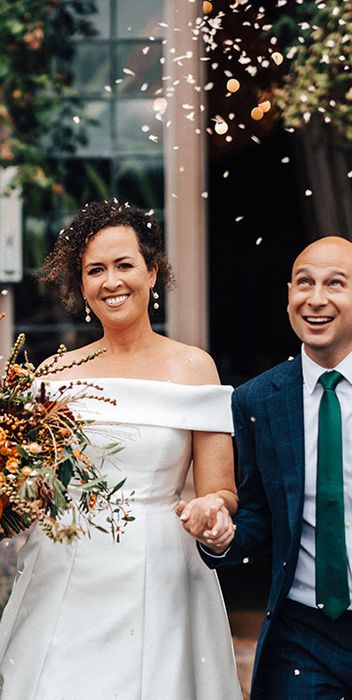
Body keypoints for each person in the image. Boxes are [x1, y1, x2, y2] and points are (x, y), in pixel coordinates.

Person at [0, 200, 241, 699]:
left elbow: (221, 490)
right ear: (82, 287)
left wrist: (212, 512)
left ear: (152, 271)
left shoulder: (193, 368)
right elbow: (30, 483)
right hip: (64, 565)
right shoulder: (53, 375)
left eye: (124, 265)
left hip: (161, 567)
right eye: (95, 270)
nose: (111, 281)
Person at [199, 236, 352, 698]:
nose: (316, 298)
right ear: (288, 295)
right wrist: (221, 536)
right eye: (304, 283)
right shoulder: (257, 400)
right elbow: (259, 517)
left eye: (336, 284)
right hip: (302, 635)